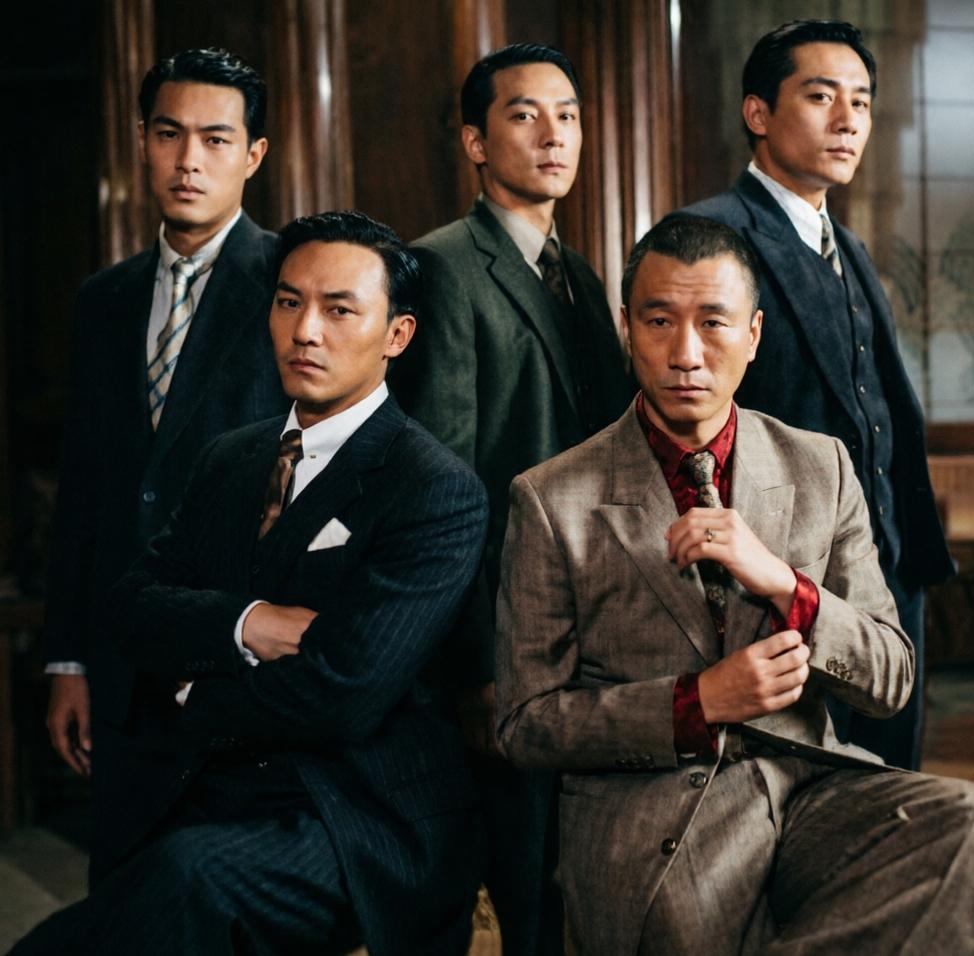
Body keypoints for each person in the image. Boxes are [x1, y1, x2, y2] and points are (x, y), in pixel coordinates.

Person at [495, 215, 974, 956]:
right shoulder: (553, 498)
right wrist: (697, 703)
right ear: (626, 329)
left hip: (810, 794)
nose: (686, 354)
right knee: (690, 927)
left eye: (713, 323)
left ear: (753, 334)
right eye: (659, 321)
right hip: (655, 824)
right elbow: (525, 724)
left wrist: (785, 585)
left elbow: (891, 677)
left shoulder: (821, 466)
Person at [13, 211, 489, 956]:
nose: (305, 331)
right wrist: (247, 622)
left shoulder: (434, 488)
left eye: (339, 310)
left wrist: (190, 692)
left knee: (182, 883)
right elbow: (131, 606)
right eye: (289, 302)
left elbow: (344, 693)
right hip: (207, 787)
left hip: (353, 815)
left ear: (396, 335)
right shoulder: (229, 460)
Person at [391, 42, 633, 953]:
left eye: (567, 115)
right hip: (508, 642)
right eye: (525, 115)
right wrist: (476, 666)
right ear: (475, 142)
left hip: (596, 636)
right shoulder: (443, 268)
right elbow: (441, 487)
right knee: (523, 889)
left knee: (586, 884)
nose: (553, 134)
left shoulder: (583, 277)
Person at [42, 47, 289, 880]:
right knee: (121, 898)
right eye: (168, 134)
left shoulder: (290, 285)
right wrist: (68, 660)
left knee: (220, 901)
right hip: (119, 667)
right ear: (142, 142)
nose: (189, 160)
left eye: (216, 139)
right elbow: (84, 490)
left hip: (235, 664)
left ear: (253, 154)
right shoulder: (103, 300)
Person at [681, 20, 953, 770]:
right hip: (775, 577)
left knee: (889, 784)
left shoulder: (850, 247)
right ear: (758, 113)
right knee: (800, 792)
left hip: (884, 568)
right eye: (821, 96)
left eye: (861, 102)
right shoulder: (709, 235)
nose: (848, 120)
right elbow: (683, 414)